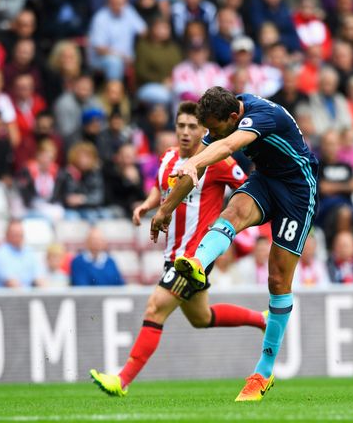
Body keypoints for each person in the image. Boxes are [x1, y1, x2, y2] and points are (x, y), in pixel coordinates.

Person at [149, 87, 318, 401]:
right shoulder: (224, 117)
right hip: (266, 180)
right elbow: (200, 162)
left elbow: (227, 145)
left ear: (233, 117)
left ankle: (263, 373)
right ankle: (197, 264)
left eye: (213, 128)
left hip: (298, 191)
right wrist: (165, 208)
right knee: (233, 211)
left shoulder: (262, 114)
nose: (209, 134)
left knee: (278, 279)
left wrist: (195, 160)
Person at [90, 101, 263, 398]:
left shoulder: (219, 162)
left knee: (155, 308)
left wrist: (238, 226)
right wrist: (147, 205)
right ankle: (263, 320)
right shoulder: (169, 157)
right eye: (181, 126)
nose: (185, 132)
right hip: (173, 254)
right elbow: (162, 187)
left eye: (192, 127)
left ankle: (122, 380)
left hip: (194, 256)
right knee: (201, 317)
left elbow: (249, 189)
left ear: (204, 129)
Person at [0, 220, 44, 288]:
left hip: (23, 296)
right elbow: (12, 285)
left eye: (20, 234)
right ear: (7, 235)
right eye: (15, 234)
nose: (19, 237)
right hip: (0, 297)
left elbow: (40, 279)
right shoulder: (0, 254)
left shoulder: (28, 251)